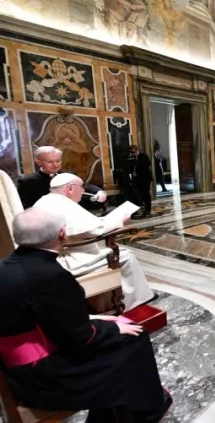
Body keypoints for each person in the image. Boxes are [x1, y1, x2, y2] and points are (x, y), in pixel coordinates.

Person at [0, 208, 171, 422]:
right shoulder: (51, 276)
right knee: (135, 338)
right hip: (44, 379)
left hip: (18, 369)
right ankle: (143, 413)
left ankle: (119, 411)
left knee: (121, 340)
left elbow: (38, 316)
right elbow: (79, 339)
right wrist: (112, 327)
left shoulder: (6, 267)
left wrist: (92, 319)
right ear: (62, 234)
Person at [33, 174, 154, 310]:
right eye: (81, 187)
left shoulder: (46, 200)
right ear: (70, 189)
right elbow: (94, 230)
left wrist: (104, 220)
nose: (83, 191)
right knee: (127, 256)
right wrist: (119, 220)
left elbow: (85, 225)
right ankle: (128, 301)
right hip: (71, 258)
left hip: (52, 254)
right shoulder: (63, 204)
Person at [17, 146, 107, 210]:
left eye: (58, 161)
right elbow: (26, 207)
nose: (55, 165)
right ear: (38, 162)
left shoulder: (67, 176)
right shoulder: (26, 182)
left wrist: (99, 192)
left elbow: (86, 186)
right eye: (50, 162)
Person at [125, 145, 153, 217]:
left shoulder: (143, 156)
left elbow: (148, 163)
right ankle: (137, 209)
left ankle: (148, 209)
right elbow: (128, 166)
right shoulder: (131, 158)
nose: (132, 153)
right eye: (131, 152)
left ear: (136, 150)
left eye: (133, 151)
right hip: (136, 179)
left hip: (145, 178)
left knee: (146, 194)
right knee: (136, 195)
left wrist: (135, 161)